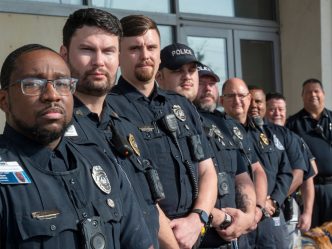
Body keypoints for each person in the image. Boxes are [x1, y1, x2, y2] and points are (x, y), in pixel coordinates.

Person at [0, 43, 153, 249]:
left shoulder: (102, 161)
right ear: (4, 100)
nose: (52, 95)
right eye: (33, 84)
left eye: (62, 83)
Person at [59, 8, 172, 248]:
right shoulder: (54, 131)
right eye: (87, 50)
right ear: (64, 54)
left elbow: (148, 205)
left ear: (118, 57)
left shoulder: (127, 128)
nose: (99, 61)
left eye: (108, 51)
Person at [108, 15, 218, 249]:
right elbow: (132, 190)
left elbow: (207, 169)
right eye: (135, 48)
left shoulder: (182, 105)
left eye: (151, 47)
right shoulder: (109, 109)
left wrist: (197, 219)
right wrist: (174, 241)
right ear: (118, 55)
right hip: (151, 239)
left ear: (159, 54)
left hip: (196, 234)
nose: (145, 55)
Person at [157, 55, 256, 249]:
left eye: (212, 83)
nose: (207, 88)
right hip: (194, 238)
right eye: (203, 82)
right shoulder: (164, 124)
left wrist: (249, 215)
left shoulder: (223, 125)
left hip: (234, 238)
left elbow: (242, 176)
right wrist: (219, 217)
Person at [221, 78, 293, 249]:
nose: (237, 100)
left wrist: (273, 201)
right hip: (238, 219)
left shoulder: (265, 133)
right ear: (221, 101)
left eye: (242, 95)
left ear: (249, 99)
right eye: (231, 96)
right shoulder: (217, 132)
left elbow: (286, 171)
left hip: (268, 217)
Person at [266, 92, 316, 248]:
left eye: (281, 109)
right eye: (272, 109)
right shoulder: (255, 136)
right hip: (262, 207)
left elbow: (309, 175)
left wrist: (307, 212)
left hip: (288, 207)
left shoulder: (294, 139)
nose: (277, 113)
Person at [286, 78, 331, 228]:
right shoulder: (293, 124)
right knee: (314, 237)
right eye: (308, 92)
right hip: (311, 190)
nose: (313, 95)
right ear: (302, 96)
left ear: (323, 94)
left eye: (316, 91)